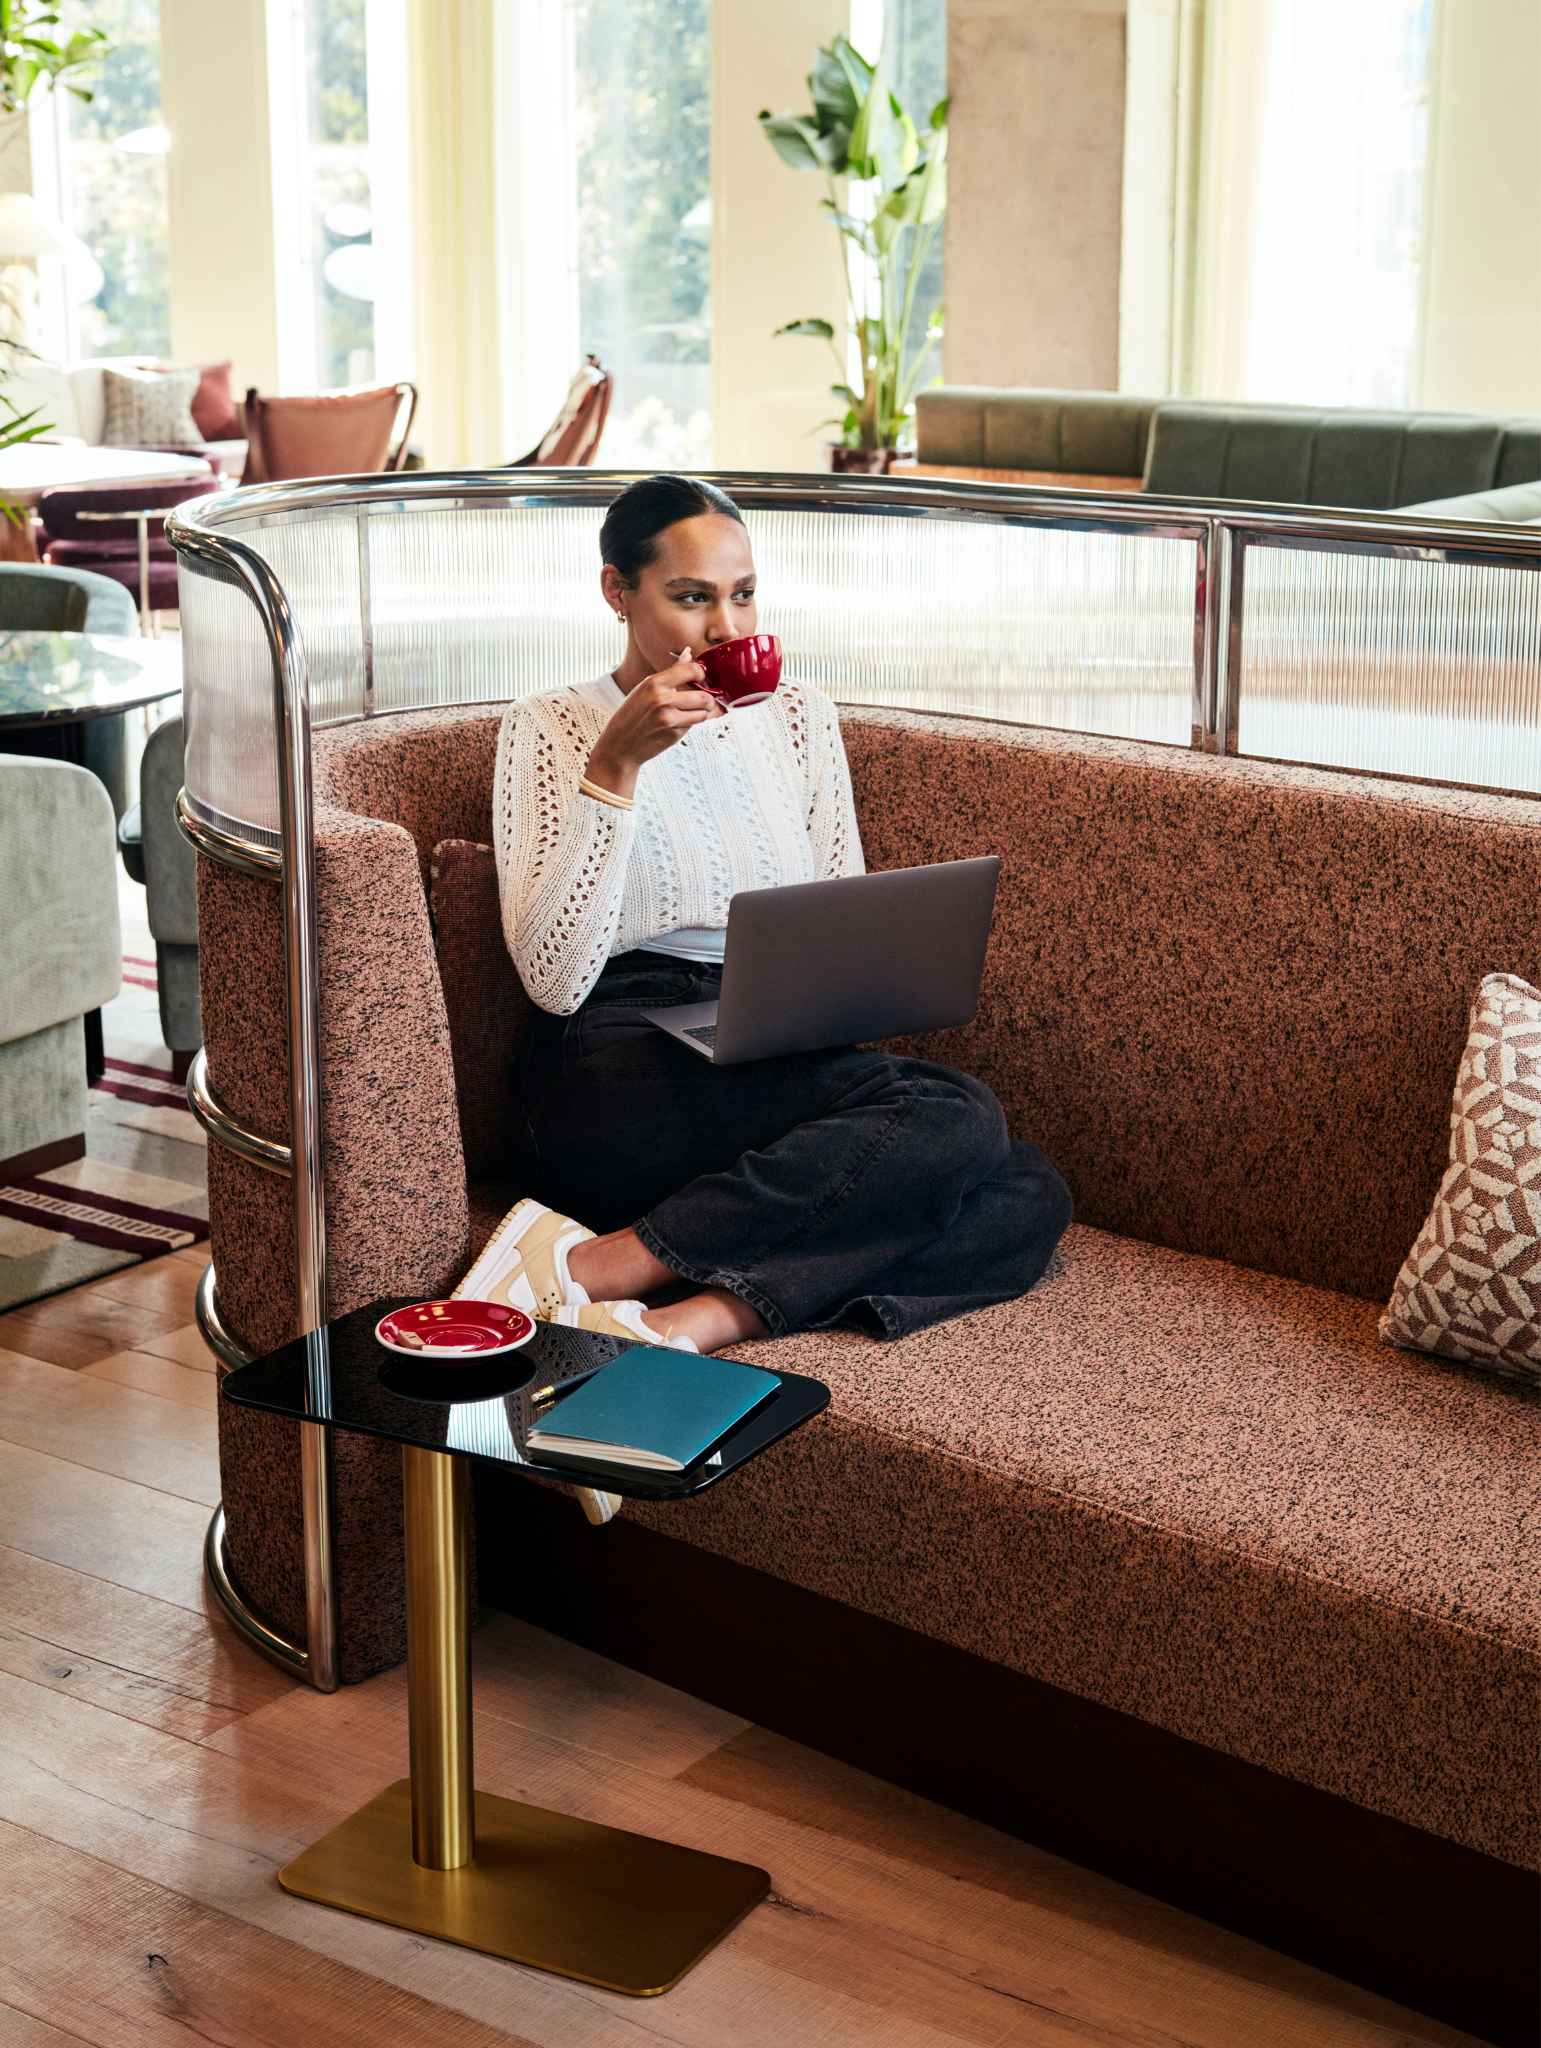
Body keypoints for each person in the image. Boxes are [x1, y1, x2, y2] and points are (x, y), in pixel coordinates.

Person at [489, 473, 1071, 1354]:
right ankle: (590, 1270)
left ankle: (688, 1316)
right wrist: (614, 770)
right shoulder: (553, 727)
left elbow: (838, 911)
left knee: (1028, 1185)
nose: (728, 629)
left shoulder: (797, 716)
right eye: (691, 599)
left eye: (744, 594)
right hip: (613, 1056)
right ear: (617, 591)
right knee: (955, 1120)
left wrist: (837, 1002)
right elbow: (554, 981)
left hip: (761, 1041)